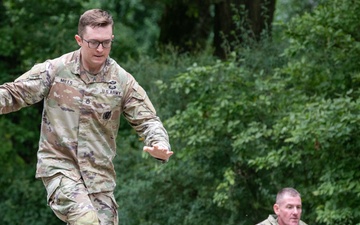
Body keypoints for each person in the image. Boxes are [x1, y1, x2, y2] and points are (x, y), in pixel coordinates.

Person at [0, 9, 173, 225]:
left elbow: (148, 120)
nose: (100, 49)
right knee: (87, 221)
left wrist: (159, 144)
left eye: (106, 43)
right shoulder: (55, 70)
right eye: (93, 43)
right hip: (60, 169)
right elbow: (13, 93)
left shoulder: (122, 81)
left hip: (100, 180)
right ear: (79, 40)